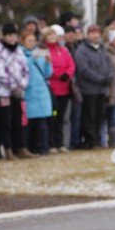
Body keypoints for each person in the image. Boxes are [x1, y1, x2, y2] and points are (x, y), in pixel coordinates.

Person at [0, 23, 29, 160]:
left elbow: (25, 69)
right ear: (4, 36)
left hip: (19, 92)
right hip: (4, 92)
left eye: (14, 35)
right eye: (9, 36)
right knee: (5, 121)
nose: (12, 38)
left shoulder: (19, 51)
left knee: (18, 120)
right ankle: (7, 149)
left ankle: (21, 147)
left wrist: (22, 85)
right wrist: (13, 86)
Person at [74, 24, 113, 149]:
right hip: (89, 89)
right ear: (88, 35)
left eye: (97, 33)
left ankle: (98, 138)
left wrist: (108, 76)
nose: (96, 35)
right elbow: (84, 69)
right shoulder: (82, 50)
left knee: (100, 115)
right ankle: (90, 141)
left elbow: (109, 65)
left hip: (102, 89)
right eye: (93, 33)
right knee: (89, 116)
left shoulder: (102, 49)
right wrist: (99, 79)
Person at [21, 32, 53, 156]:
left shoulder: (39, 54)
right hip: (29, 92)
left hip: (42, 92)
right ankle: (30, 147)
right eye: (29, 41)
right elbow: (23, 69)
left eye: (33, 40)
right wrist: (31, 59)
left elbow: (47, 73)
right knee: (29, 123)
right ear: (23, 41)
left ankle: (44, 147)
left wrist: (48, 62)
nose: (32, 43)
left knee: (42, 123)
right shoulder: (21, 55)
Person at [44, 26, 75, 154]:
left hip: (65, 89)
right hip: (53, 90)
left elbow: (71, 64)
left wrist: (68, 74)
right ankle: (51, 143)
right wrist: (58, 74)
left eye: (54, 35)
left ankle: (60, 142)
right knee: (54, 117)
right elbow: (47, 67)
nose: (52, 38)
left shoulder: (63, 50)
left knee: (61, 117)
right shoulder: (45, 51)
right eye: (49, 36)